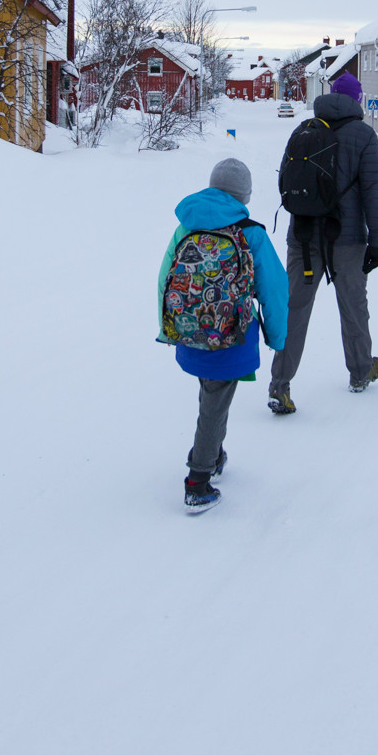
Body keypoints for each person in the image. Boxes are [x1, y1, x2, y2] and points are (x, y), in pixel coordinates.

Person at [156, 158, 288, 514]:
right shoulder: (251, 233)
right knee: (215, 399)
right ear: (243, 195)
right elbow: (274, 289)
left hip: (189, 330)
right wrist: (277, 337)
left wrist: (167, 327)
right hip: (232, 333)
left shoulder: (186, 227)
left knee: (211, 392)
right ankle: (198, 480)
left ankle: (212, 454)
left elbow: (165, 277)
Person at [269, 70, 378, 414]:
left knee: (295, 310)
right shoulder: (364, 136)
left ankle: (280, 385)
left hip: (303, 238)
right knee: (353, 307)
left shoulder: (303, 130)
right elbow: (373, 193)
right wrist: (376, 241)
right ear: (357, 100)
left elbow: (285, 181)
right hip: (346, 239)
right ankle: (360, 371)